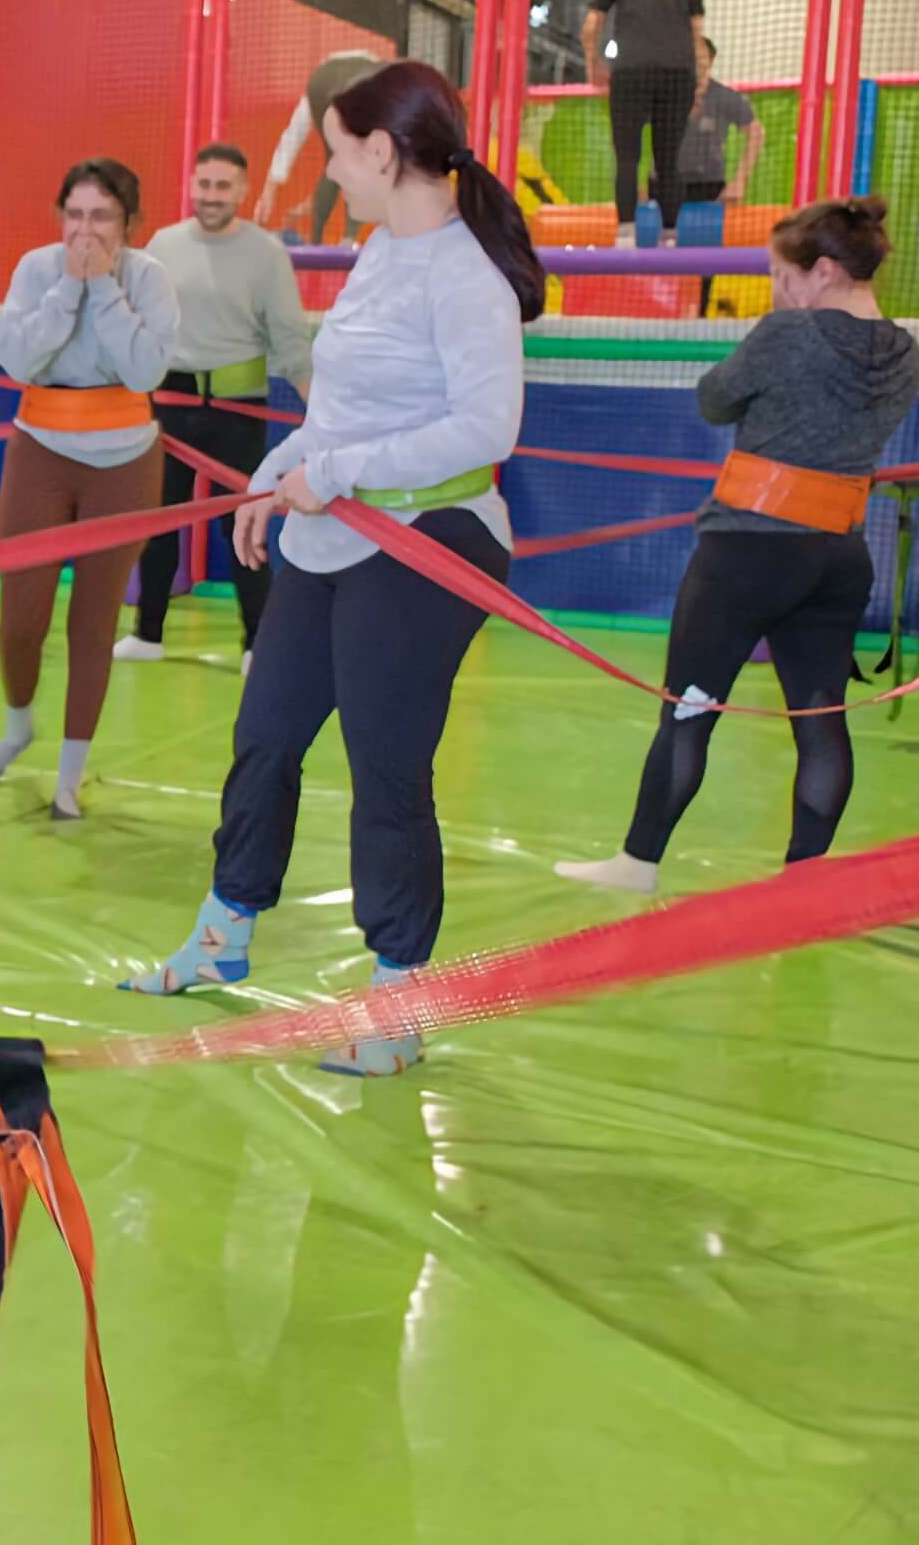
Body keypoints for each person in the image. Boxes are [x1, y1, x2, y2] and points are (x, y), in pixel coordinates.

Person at [120, 63, 542, 1077]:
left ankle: (396, 996)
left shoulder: (463, 277)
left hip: (426, 535)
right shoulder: (376, 250)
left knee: (384, 765)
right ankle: (222, 932)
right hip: (329, 527)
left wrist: (332, 471)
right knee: (263, 731)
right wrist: (274, 476)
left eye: (337, 151)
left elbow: (486, 427)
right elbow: (335, 406)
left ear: (384, 153)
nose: (330, 171)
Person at [554, 200, 919, 894]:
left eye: (784, 276)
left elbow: (715, 398)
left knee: (688, 709)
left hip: (749, 549)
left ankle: (637, 862)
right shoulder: (906, 351)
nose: (780, 290)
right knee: (820, 720)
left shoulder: (789, 334)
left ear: (824, 271)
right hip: (838, 553)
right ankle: (805, 878)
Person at [0, 158, 180, 820]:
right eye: (75, 215)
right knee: (21, 617)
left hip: (124, 462)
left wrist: (106, 293)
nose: (85, 231)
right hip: (40, 449)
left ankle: (70, 774)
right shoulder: (36, 270)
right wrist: (68, 288)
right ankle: (16, 726)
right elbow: (17, 359)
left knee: (93, 623)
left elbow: (146, 369)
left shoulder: (150, 280)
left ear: (128, 225)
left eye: (101, 217)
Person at [116, 142, 313, 671]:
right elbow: (139, 323)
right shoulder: (163, 244)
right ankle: (147, 633)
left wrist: (321, 410)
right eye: (204, 185)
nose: (211, 196)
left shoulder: (266, 253)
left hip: (238, 409)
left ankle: (256, 644)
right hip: (169, 404)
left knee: (243, 526)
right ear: (191, 185)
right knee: (159, 520)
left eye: (223, 187)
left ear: (243, 191)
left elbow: (291, 339)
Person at [582, 0, 708, 240]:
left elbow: (592, 24)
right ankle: (669, 237)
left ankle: (625, 235)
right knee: (667, 160)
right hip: (676, 74)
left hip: (631, 72)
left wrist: (593, 63)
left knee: (627, 156)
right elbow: (697, 37)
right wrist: (701, 81)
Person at [255, 47, 388, 242]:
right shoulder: (383, 82)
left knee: (335, 161)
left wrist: (270, 189)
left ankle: (315, 243)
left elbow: (295, 133)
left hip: (321, 77)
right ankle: (349, 241)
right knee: (359, 162)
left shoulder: (329, 71)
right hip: (363, 74)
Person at [678, 38, 765, 223]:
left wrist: (739, 180)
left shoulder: (725, 97)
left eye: (701, 57)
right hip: (668, 184)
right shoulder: (666, 95)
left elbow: (756, 133)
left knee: (707, 243)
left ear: (710, 60)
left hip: (710, 184)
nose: (696, 62)